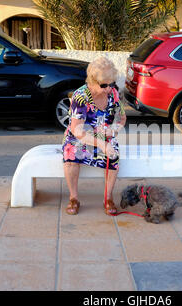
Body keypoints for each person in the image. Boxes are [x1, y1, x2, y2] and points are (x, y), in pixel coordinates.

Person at [62, 57, 127, 216]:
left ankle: (108, 198)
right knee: (71, 154)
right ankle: (74, 198)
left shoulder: (113, 94)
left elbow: (122, 118)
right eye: (103, 85)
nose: (108, 89)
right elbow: (77, 130)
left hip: (104, 134)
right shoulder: (81, 96)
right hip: (80, 136)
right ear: (92, 81)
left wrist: (114, 130)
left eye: (111, 84)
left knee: (114, 156)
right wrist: (102, 144)